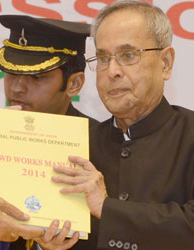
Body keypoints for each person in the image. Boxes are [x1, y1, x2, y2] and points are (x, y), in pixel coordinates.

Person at [47, 1, 194, 250]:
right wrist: (47, 243)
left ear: (165, 63)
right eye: (103, 58)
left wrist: (107, 208)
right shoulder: (77, 143)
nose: (112, 71)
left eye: (128, 55)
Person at [0, 14, 99, 250]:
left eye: (36, 77)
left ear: (74, 84)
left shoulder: (102, 148)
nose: (17, 88)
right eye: (10, 73)